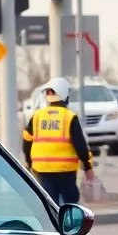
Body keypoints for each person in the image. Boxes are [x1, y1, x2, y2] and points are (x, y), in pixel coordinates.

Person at [21, 77, 94, 205]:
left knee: (50, 204)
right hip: (65, 170)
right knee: (70, 203)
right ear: (65, 95)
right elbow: (80, 145)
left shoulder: (37, 116)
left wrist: (28, 162)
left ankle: (53, 224)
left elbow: (27, 141)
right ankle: (69, 225)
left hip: (42, 169)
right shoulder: (69, 117)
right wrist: (87, 166)